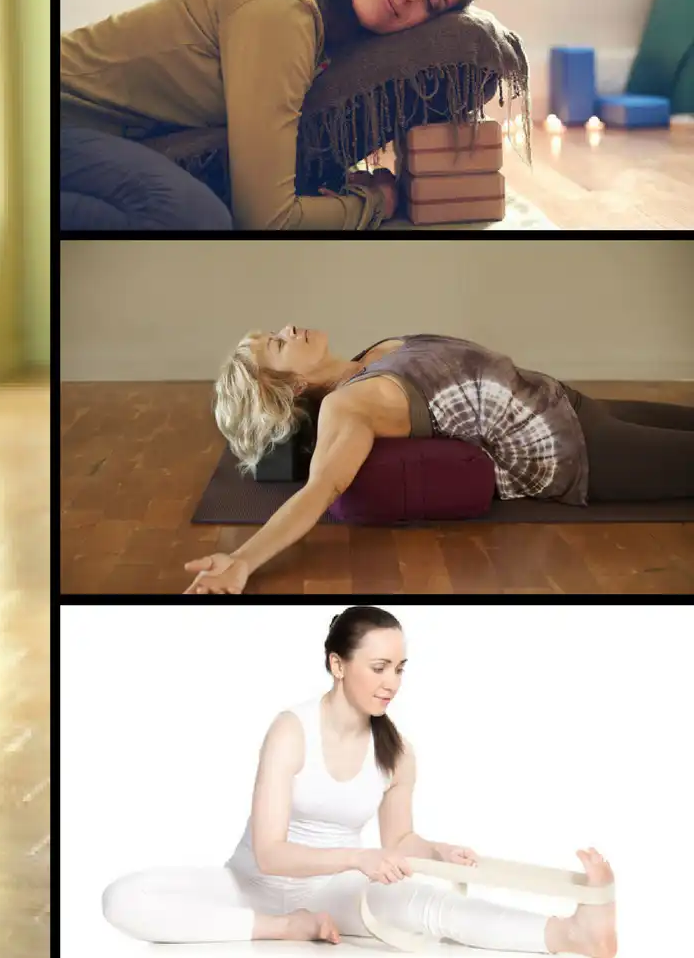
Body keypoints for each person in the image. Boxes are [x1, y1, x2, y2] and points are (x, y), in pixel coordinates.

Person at [100, 607, 620, 955]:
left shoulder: (397, 752)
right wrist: (354, 860)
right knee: (122, 898)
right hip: (248, 886)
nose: (391, 682)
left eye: (399, 668)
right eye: (378, 667)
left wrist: (437, 850)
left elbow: (398, 843)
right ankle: (279, 930)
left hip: (334, 892)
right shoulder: (291, 729)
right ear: (338, 664)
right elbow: (270, 854)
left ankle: (569, 933)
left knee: (425, 906)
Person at [60, 0, 485, 230]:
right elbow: (267, 220)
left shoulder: (322, 22)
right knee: (197, 219)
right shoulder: (286, 10)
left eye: (432, 3)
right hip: (49, 111)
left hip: (96, 129)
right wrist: (374, 202)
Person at [188, 327, 694, 593]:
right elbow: (319, 491)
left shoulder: (372, 354)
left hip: (569, 402)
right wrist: (242, 561)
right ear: (293, 386)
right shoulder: (349, 405)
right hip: (575, 450)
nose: (288, 326)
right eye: (278, 343)